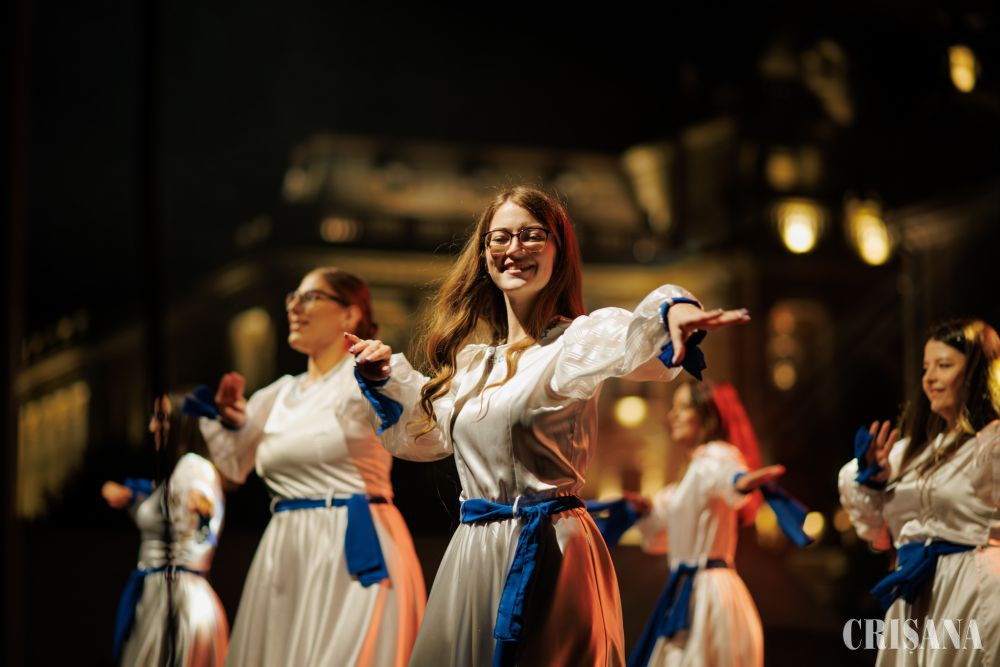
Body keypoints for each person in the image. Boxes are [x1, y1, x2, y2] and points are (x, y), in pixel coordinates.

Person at [347, 186, 749, 666]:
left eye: (531, 235)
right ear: (484, 255)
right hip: (474, 551)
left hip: (550, 548)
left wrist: (676, 311)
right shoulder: (474, 366)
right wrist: (383, 378)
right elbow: (424, 435)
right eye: (500, 238)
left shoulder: (573, 343)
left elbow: (634, 333)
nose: (514, 248)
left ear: (559, 252)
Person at [204, 268, 425, 667]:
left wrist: (382, 381)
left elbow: (419, 430)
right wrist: (233, 424)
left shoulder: (364, 378)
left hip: (351, 545)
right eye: (293, 297)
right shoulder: (278, 395)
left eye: (310, 297)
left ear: (349, 314)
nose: (295, 307)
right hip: (286, 550)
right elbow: (231, 471)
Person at [838, 318, 1000, 665]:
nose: (929, 378)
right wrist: (874, 480)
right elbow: (874, 527)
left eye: (944, 365)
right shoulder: (915, 452)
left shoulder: (992, 445)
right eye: (926, 367)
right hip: (918, 593)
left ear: (976, 373)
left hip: (971, 589)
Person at [630, 380, 786, 667]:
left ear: (706, 417)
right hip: (688, 591)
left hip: (709, 595)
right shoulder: (691, 470)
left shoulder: (715, 455)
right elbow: (663, 528)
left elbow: (725, 475)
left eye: (683, 407)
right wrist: (641, 510)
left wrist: (739, 482)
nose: (673, 415)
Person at [103, 395, 228, 667]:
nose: (152, 427)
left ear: (182, 423)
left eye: (161, 419)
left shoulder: (192, 466)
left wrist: (200, 500)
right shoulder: (170, 478)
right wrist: (131, 496)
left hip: (178, 597)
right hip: (157, 593)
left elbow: (201, 495)